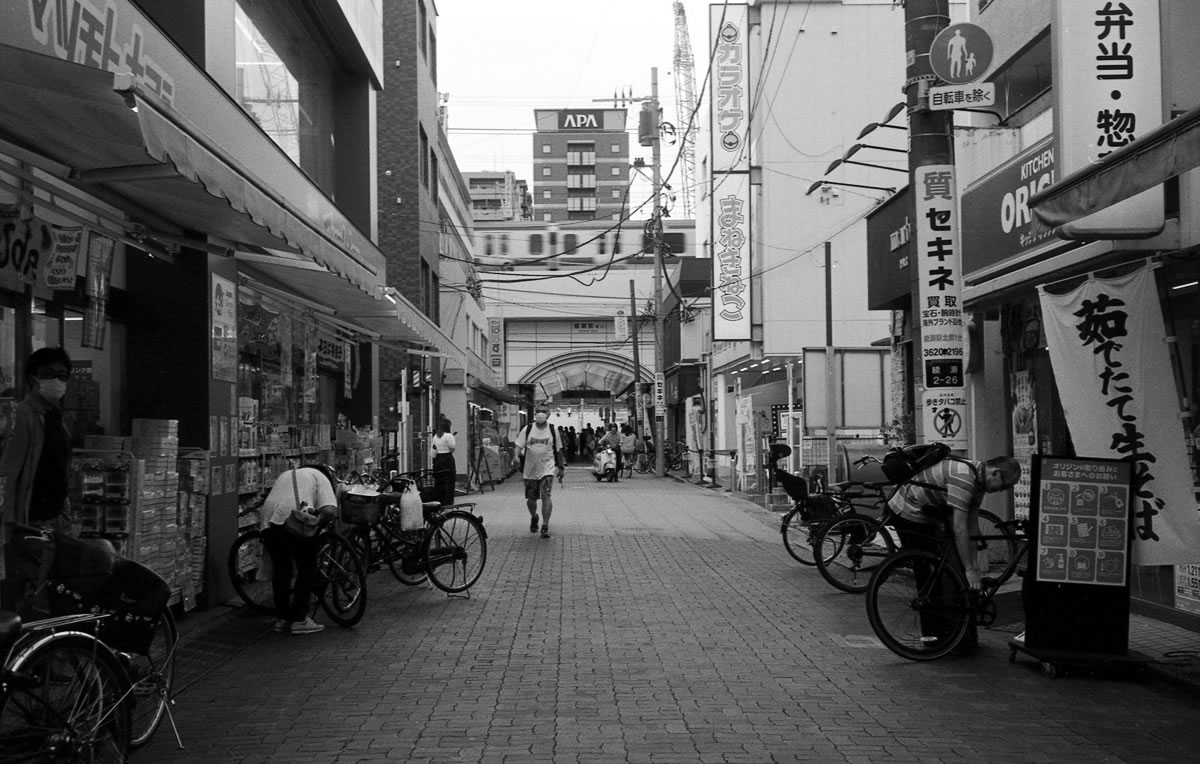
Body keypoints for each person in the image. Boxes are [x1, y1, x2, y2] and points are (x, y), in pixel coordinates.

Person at [887, 454, 1021, 652]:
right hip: (908, 511)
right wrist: (968, 569)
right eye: (1004, 486)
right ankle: (931, 635)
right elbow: (959, 527)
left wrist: (974, 566)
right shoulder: (964, 478)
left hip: (929, 511)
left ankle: (950, 633)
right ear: (995, 473)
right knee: (926, 570)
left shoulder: (978, 481)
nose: (1002, 491)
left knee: (943, 567)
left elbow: (972, 525)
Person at [1, 348, 75, 610]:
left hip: (56, 518)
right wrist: (9, 522)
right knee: (31, 592)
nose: (57, 381)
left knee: (50, 589)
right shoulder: (23, 415)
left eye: (62, 376)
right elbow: (9, 471)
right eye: (49, 375)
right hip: (31, 520)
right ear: (33, 378)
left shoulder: (56, 416)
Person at [260, 464, 341, 635]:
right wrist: (321, 522)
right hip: (295, 521)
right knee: (306, 568)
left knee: (282, 570)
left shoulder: (287, 473)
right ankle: (299, 619)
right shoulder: (321, 478)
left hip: (269, 520)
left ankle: (282, 619)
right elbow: (330, 510)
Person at [514, 404, 564, 538]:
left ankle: (545, 525)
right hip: (530, 470)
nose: (541, 414)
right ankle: (534, 516)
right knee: (531, 499)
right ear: (535, 414)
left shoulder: (553, 430)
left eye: (544, 411)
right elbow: (518, 445)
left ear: (548, 414)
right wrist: (516, 457)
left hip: (547, 469)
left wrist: (561, 467)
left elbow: (558, 450)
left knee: (546, 495)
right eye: (538, 411)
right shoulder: (528, 429)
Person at [430, 417, 456, 506]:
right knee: (449, 482)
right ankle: (448, 502)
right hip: (447, 459)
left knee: (439, 482)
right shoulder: (449, 436)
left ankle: (439, 501)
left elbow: (433, 451)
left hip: (438, 460)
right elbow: (452, 449)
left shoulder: (435, 436)